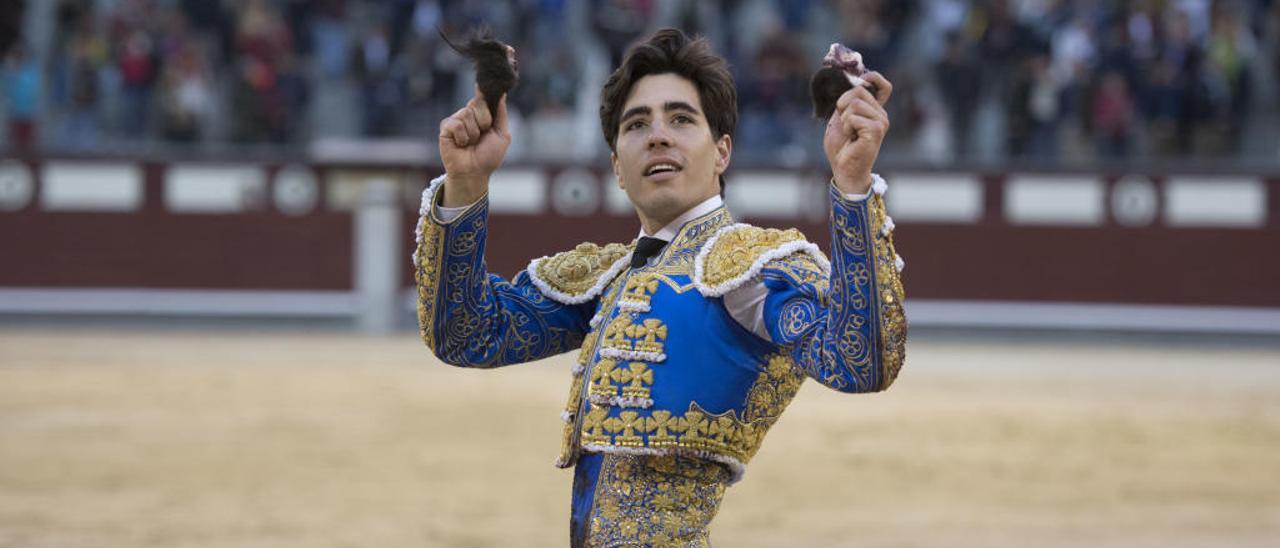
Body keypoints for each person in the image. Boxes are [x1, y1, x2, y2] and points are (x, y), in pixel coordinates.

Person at [413, 28, 906, 546]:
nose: (658, 135)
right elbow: (467, 334)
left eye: (681, 119)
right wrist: (465, 186)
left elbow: (859, 362)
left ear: (722, 152)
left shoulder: (750, 269)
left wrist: (853, 189)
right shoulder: (610, 279)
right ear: (617, 169)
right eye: (637, 124)